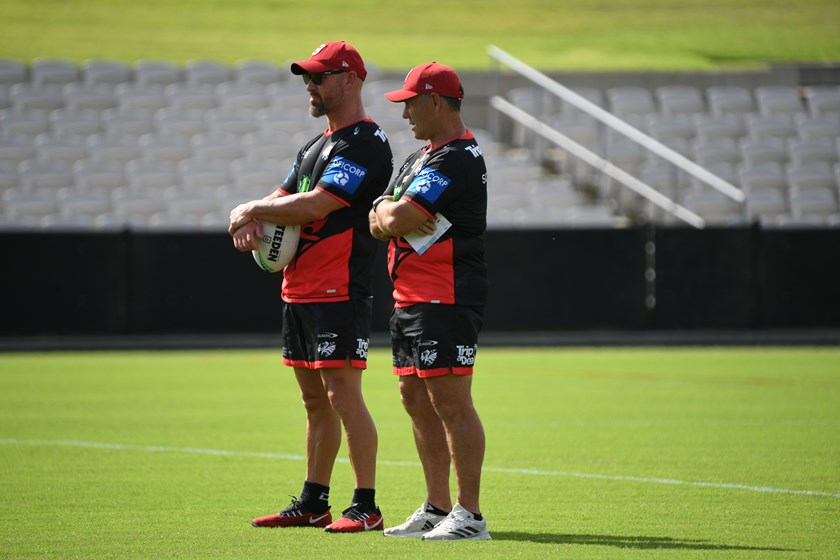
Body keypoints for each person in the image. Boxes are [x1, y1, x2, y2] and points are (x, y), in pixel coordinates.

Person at [229, 40, 393, 533]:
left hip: (339, 289)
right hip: (299, 290)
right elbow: (283, 196)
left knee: (343, 395)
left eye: (320, 77)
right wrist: (250, 214)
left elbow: (316, 205)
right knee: (314, 400)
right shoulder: (315, 145)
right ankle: (313, 501)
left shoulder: (365, 142)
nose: (310, 85)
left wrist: (250, 209)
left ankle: (365, 505)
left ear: (350, 80)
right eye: (307, 77)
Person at [369, 62, 490, 541]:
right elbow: (381, 216)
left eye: (411, 103)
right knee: (414, 397)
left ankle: (470, 515)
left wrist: (389, 215)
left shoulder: (455, 158)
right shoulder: (421, 156)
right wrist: (387, 214)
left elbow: (396, 217)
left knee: (451, 401)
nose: (405, 114)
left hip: (446, 295)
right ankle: (438, 506)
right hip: (411, 296)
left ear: (436, 101)